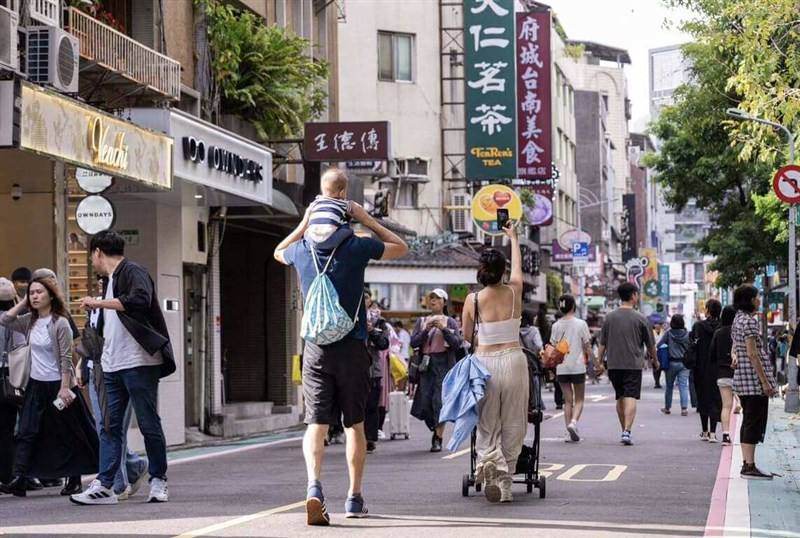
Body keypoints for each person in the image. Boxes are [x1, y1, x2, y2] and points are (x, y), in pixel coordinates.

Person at [274, 168, 408, 526]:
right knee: (355, 426)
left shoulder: (300, 250)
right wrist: (366, 218)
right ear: (345, 198)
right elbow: (401, 247)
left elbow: (277, 251)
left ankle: (314, 487)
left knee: (316, 424)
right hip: (351, 346)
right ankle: (354, 496)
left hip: (315, 347)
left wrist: (303, 223)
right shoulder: (356, 245)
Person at [71, 230, 176, 505]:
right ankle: (105, 486)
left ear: (97, 253)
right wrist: (85, 360)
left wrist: (98, 302)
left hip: (139, 362)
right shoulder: (108, 281)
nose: (92, 262)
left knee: (147, 423)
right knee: (108, 426)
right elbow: (101, 329)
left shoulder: (132, 271)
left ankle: (158, 480)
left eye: (91, 256)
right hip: (110, 365)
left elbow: (139, 301)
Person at [0, 276, 98, 497]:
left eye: (39, 293)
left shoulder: (59, 323)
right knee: (26, 431)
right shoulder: (29, 321)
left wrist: (65, 388)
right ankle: (20, 478)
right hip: (36, 385)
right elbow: (5, 319)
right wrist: (23, 303)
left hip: (59, 386)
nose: (34, 296)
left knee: (66, 432)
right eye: (31, 293)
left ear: (51, 296)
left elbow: (65, 358)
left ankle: (74, 479)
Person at [461, 221, 528, 504]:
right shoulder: (514, 292)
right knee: (514, 423)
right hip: (514, 360)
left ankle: (489, 462)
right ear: (502, 270)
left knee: (487, 422)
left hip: (485, 362)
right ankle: (506, 483)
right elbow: (518, 272)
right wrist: (512, 237)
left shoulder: (473, 299)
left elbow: (466, 336)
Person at [76, 287, 149, 501]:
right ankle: (133, 467)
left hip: (119, 370)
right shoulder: (95, 306)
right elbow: (90, 338)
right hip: (96, 368)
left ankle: (118, 484)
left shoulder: (127, 304)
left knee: (111, 427)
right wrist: (82, 363)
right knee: (106, 428)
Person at [597, 283, 657, 446]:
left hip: (614, 364)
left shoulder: (610, 317)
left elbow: (602, 343)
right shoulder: (641, 318)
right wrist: (655, 361)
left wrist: (599, 362)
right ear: (633, 296)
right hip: (632, 364)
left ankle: (624, 429)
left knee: (620, 397)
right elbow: (650, 344)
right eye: (637, 294)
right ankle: (627, 431)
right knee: (630, 396)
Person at [731, 284, 777, 479]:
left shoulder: (737, 320)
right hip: (752, 380)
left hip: (742, 379)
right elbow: (752, 352)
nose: (759, 300)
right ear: (750, 300)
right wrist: (765, 382)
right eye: (757, 297)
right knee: (753, 421)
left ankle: (747, 463)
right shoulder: (749, 322)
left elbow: (737, 347)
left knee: (748, 421)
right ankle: (749, 466)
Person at [410, 288, 463, 453]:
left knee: (439, 402)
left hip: (444, 364)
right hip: (426, 364)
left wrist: (443, 329)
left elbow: (457, 343)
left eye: (437, 298)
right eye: (431, 298)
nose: (433, 301)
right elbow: (413, 342)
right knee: (425, 402)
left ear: (443, 302)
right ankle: (435, 427)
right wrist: (426, 330)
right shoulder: (421, 321)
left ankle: (438, 438)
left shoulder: (451, 321)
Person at [550, 294, 594, 443]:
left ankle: (568, 432)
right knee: (580, 399)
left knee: (567, 401)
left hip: (561, 367)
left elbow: (553, 347)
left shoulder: (555, 326)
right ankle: (573, 423)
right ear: (574, 307)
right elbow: (587, 346)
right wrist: (597, 363)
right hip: (577, 366)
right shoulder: (581, 324)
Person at [692, 299, 722, 442]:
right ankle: (713, 433)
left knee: (702, 398)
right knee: (715, 399)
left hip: (700, 368)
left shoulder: (698, 326)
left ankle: (704, 431)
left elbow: (692, 344)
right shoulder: (722, 326)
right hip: (717, 368)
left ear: (707, 310)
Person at [364, 292, 390, 454]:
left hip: (373, 369)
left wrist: (372, 330)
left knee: (372, 406)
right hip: (353, 369)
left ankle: (370, 439)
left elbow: (384, 344)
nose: (364, 301)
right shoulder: (349, 318)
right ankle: (356, 437)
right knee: (355, 407)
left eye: (366, 298)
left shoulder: (379, 321)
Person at [0, 277, 19, 487]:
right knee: (7, 428)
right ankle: (7, 474)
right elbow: (20, 350)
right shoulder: (14, 321)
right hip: (9, 377)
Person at [710, 305, 736, 446]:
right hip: (739, 373)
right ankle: (743, 436)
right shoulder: (738, 333)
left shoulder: (718, 333)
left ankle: (725, 435)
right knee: (744, 406)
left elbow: (712, 354)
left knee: (726, 406)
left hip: (722, 373)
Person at [658, 314, 691, 417]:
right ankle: (684, 409)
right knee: (683, 386)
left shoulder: (668, 334)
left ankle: (667, 408)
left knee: (669, 386)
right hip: (685, 363)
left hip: (671, 363)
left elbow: (659, 345)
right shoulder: (687, 334)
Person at [652, 324, 665, 388]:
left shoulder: (663, 332)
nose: (658, 325)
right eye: (656, 324)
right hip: (654, 351)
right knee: (655, 367)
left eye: (660, 324)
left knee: (660, 367)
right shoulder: (652, 332)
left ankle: (658, 381)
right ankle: (656, 382)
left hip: (662, 351)